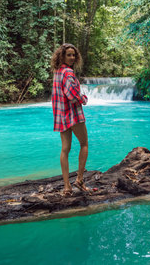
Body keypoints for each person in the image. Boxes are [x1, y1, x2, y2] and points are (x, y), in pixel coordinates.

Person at [51, 43, 91, 196]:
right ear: (62, 56)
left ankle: (67, 186)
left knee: (65, 149)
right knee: (84, 144)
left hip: (60, 115)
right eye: (69, 55)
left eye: (74, 55)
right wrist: (84, 98)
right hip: (73, 114)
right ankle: (79, 180)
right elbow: (73, 96)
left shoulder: (57, 72)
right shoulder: (68, 72)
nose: (72, 57)